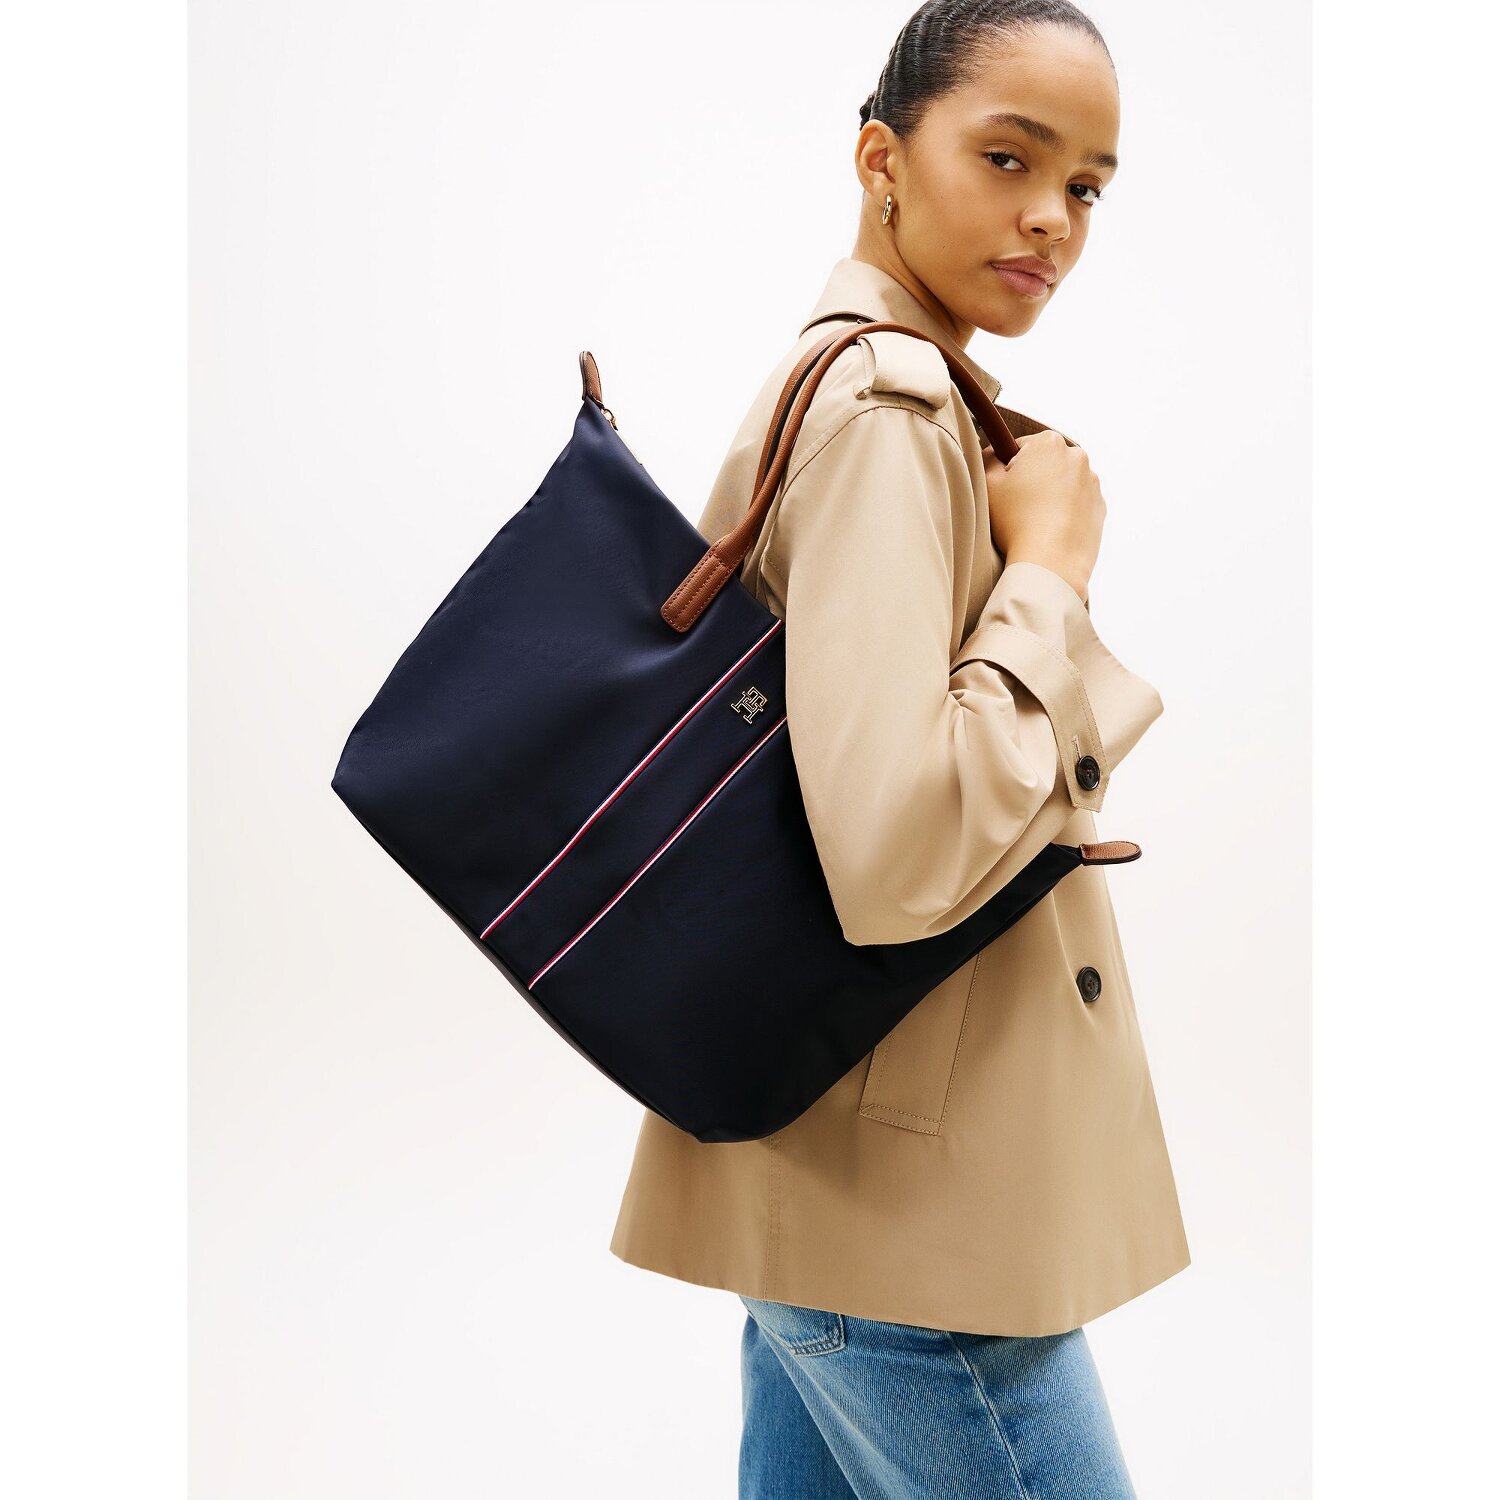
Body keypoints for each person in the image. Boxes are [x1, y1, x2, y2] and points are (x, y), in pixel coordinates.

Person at [609, 3, 1190, 1494]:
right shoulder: (886, 409)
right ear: (882, 158)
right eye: (1009, 157)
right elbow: (896, 854)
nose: (1052, 218)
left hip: (846, 1180)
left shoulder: (890, 394)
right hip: (912, 1233)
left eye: (1088, 186)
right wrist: (1048, 577)